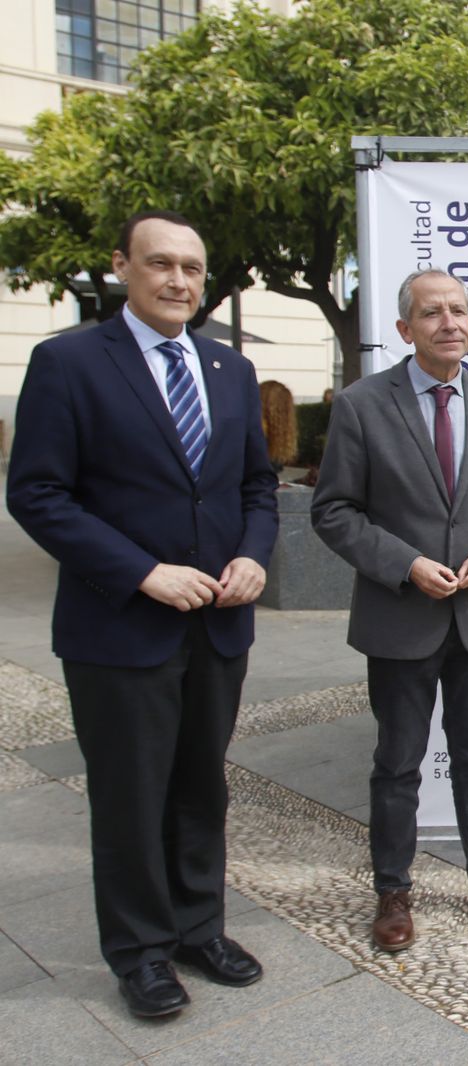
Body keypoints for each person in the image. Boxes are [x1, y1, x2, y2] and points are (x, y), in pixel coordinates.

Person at [5, 211, 278, 1017]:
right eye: (160, 264)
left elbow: (256, 486)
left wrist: (255, 554)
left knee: (202, 786)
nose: (179, 282)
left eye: (193, 268)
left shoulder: (229, 370)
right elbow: (37, 494)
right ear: (123, 266)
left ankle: (199, 927)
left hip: (220, 623)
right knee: (130, 795)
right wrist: (142, 573)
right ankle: (141, 953)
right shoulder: (67, 363)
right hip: (119, 627)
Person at [311, 269, 468, 952]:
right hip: (399, 616)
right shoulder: (360, 406)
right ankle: (392, 891)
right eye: (432, 312)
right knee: (398, 762)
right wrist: (405, 564)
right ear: (404, 329)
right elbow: (333, 511)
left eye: (461, 311)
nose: (450, 322)